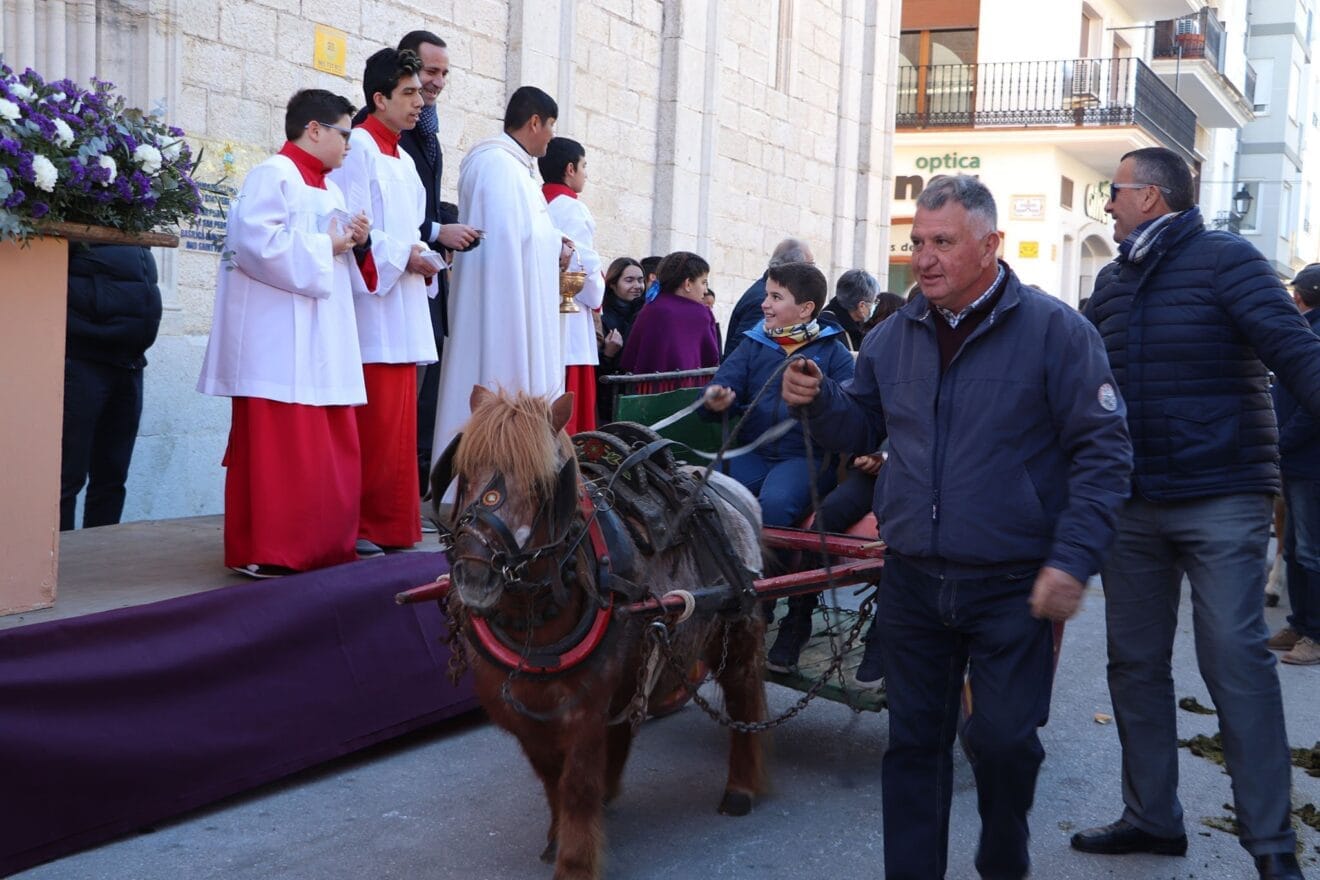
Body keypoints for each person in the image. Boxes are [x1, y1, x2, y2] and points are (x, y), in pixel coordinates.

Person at [782, 174, 1132, 880]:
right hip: (911, 575)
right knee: (913, 746)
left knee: (1002, 742)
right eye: (917, 242)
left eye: (943, 241)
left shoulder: (1057, 332)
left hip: (1012, 584)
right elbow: (863, 425)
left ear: (991, 245)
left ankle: (1004, 847)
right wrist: (817, 404)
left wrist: (1072, 558)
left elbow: (1105, 453)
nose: (925, 258)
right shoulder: (890, 336)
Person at [1071, 147, 1320, 880]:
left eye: (1112, 192)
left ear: (1150, 197)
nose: (1107, 205)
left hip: (1224, 492)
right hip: (1134, 502)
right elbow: (1074, 379)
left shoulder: (1226, 260)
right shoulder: (1111, 282)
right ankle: (1153, 819)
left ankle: (1273, 847)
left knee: (1235, 660)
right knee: (1134, 665)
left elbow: (1297, 355)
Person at [196, 88, 372, 577]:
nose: (348, 147)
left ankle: (324, 545)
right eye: (344, 134)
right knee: (282, 452)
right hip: (276, 340)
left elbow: (332, 257)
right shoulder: (271, 176)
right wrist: (328, 243)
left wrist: (351, 239)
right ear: (313, 129)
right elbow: (256, 245)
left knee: (326, 447)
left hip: (322, 340)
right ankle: (272, 550)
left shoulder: (332, 190)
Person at [431, 86, 569, 475]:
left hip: (517, 296)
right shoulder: (497, 165)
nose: (552, 137)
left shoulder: (517, 168)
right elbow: (506, 242)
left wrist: (555, 241)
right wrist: (550, 244)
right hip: (504, 306)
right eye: (551, 126)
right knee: (499, 376)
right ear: (535, 122)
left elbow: (529, 234)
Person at [330, 47, 435, 555]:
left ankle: (394, 524)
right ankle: (365, 524)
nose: (420, 102)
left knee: (399, 423)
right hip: (371, 306)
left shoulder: (407, 158)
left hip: (403, 304)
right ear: (379, 98)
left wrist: (422, 255)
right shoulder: (360, 150)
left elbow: (408, 228)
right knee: (374, 423)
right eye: (410, 93)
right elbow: (354, 227)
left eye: (420, 92)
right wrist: (405, 256)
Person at [392, 30, 480, 495]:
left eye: (444, 73)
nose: (438, 83)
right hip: (395, 281)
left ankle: (417, 488)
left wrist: (448, 222)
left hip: (424, 278)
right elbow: (390, 214)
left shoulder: (426, 131)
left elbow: (419, 202)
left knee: (427, 390)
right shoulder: (386, 133)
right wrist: (434, 231)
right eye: (430, 72)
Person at [703, 261, 854, 530]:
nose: (764, 304)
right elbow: (724, 383)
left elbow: (849, 411)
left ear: (806, 309)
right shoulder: (753, 344)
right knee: (703, 493)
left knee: (774, 506)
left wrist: (819, 399)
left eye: (776, 297)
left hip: (806, 459)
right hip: (753, 451)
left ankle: (772, 573)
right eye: (766, 295)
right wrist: (716, 399)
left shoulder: (834, 353)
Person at [60, 244, 161, 530]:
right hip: (83, 362)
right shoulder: (84, 213)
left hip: (130, 363)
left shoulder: (136, 225)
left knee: (112, 477)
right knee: (67, 477)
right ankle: (60, 562)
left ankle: (100, 552)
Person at [1269, 263, 1320, 666]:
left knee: (1311, 552)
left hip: (1310, 460)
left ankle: (1315, 635)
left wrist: (1281, 442)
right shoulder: (1303, 330)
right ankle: (1300, 624)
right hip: (1299, 459)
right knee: (1297, 550)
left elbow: (1311, 405)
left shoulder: (1311, 335)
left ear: (1300, 297)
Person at [540, 136, 606, 434]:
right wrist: (597, 294)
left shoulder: (536, 200)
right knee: (572, 413)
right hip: (571, 317)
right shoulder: (573, 208)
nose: (586, 174)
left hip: (541, 311)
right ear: (570, 169)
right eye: (584, 166)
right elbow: (586, 267)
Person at [617, 251, 721, 394]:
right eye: (703, 282)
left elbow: (629, 359)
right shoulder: (701, 313)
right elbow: (711, 358)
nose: (705, 290)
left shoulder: (649, 308)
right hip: (686, 394)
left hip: (646, 394)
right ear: (688, 284)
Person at [723, 238, 814, 359]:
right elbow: (741, 351)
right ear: (795, 267)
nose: (814, 272)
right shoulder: (763, 300)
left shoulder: (767, 291)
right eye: (811, 265)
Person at [596, 256, 645, 422]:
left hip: (637, 398)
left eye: (640, 280)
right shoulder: (601, 317)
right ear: (612, 283)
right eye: (629, 280)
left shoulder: (646, 313)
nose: (637, 286)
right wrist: (608, 354)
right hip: (607, 403)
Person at [821, 268, 879, 350]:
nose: (875, 305)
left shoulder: (827, 320)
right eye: (874, 301)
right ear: (861, 306)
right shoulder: (832, 331)